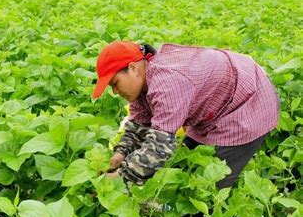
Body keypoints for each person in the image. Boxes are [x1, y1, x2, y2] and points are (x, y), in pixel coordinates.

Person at [93, 41, 279, 189]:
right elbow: (138, 125)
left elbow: (159, 147)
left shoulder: (167, 83)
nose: (116, 91)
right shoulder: (143, 81)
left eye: (116, 83)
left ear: (133, 68)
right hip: (215, 105)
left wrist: (120, 177)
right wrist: (120, 154)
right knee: (182, 170)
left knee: (208, 185)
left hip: (247, 105)